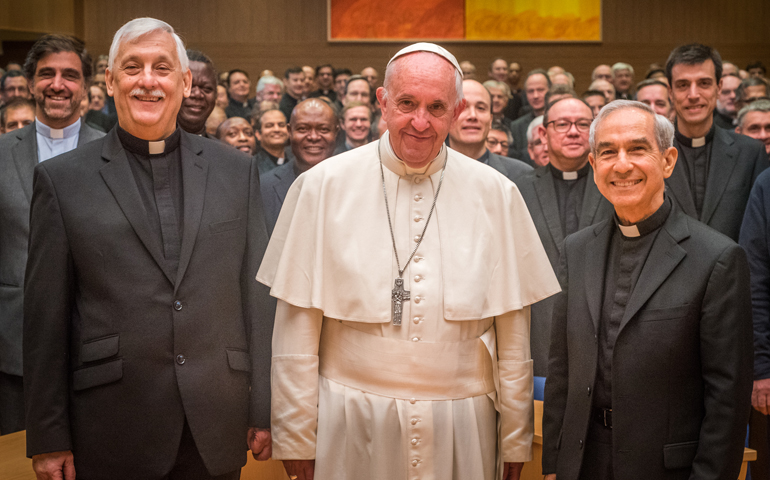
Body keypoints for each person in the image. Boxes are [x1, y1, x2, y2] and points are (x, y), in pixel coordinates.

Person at [258, 42, 559, 480]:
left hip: (463, 426)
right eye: (406, 104)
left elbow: (515, 334)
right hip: (350, 419)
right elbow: (295, 330)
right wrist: (296, 434)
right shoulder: (321, 187)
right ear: (382, 103)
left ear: (456, 112)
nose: (420, 122)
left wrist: (515, 437)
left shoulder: (497, 194)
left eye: (437, 107)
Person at [23, 18, 272, 478]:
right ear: (111, 81)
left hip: (216, 421)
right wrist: (48, 434)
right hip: (112, 423)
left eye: (162, 67)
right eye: (132, 67)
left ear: (185, 81)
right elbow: (45, 319)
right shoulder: (62, 181)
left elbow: (255, 296)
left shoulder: (236, 171)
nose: (148, 80)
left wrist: (264, 407)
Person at [544, 100, 753, 480]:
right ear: (593, 166)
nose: (621, 165)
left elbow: (727, 401)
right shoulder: (576, 251)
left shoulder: (716, 258)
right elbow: (562, 371)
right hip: (583, 463)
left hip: (664, 468)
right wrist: (553, 466)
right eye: (608, 152)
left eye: (637, 149)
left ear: (668, 161)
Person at [0, 35, 104, 436]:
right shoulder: (3, 152)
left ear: (86, 86)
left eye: (70, 75)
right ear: (30, 83)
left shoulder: (113, 152)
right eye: (47, 74)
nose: (58, 84)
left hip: (95, 342)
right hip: (13, 343)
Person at [513, 97, 613, 378]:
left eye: (583, 124)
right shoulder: (519, 190)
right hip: (540, 334)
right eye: (562, 124)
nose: (573, 131)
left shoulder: (615, 185)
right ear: (543, 134)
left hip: (603, 332)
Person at [665, 43, 768, 241]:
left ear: (718, 87)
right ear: (670, 91)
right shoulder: (653, 154)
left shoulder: (751, 153)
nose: (693, 95)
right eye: (683, 85)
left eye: (704, 83)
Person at [260, 98, 338, 236]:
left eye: (323, 129)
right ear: (290, 131)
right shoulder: (264, 187)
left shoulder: (356, 184)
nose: (313, 137)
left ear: (336, 132)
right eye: (303, 129)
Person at [449, 79, 531, 180]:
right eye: (463, 108)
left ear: (490, 120)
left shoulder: (523, 175)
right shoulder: (426, 171)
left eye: (481, 108)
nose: (473, 115)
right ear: (447, 117)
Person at [509, 69, 551, 160]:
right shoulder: (516, 126)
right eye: (530, 91)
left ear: (550, 91)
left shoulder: (561, 121)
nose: (535, 96)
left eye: (540, 90)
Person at [177, 49, 217, 136]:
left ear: (216, 96)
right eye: (189, 86)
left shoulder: (223, 149)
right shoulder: (148, 147)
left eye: (206, 88)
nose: (197, 94)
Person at [254, 108, 290, 173]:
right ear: (258, 134)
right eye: (269, 126)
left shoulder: (298, 159)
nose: (276, 129)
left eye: (281, 125)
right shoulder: (253, 166)